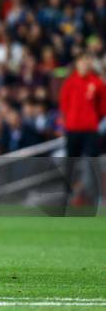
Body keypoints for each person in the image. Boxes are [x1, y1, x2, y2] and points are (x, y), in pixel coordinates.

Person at [59, 53, 105, 207]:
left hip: (90, 129)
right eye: (82, 61)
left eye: (87, 61)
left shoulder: (97, 83)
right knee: (70, 163)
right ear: (77, 64)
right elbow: (64, 105)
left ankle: (98, 197)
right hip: (73, 129)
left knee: (93, 163)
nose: (85, 64)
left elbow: (102, 107)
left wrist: (92, 120)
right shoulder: (70, 83)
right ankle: (67, 196)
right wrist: (70, 121)